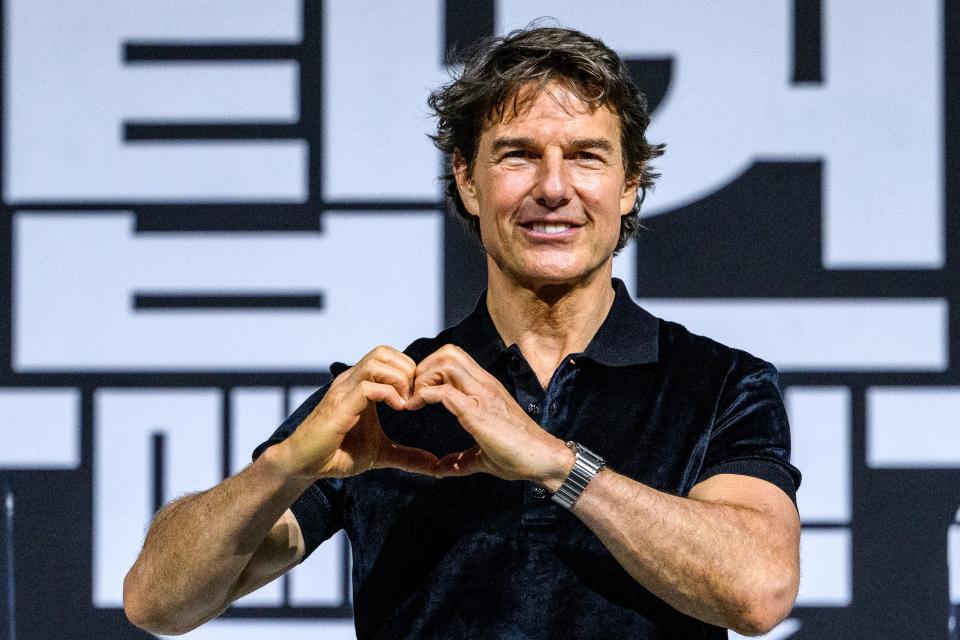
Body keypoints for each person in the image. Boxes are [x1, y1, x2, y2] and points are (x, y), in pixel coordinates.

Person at [123, 26, 801, 638]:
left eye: (587, 157)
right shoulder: (394, 397)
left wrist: (558, 466)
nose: (554, 188)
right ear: (468, 181)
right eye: (518, 156)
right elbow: (158, 603)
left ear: (629, 185)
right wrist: (285, 465)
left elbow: (759, 591)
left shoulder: (718, 385)